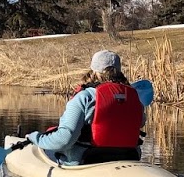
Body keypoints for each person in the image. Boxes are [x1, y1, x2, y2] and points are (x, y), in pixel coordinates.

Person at [17, 50, 146, 166]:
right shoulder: (135, 98)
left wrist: (36, 138)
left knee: (43, 150)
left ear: (94, 71)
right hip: (129, 157)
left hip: (87, 161)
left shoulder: (85, 97)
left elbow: (64, 139)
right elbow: (141, 122)